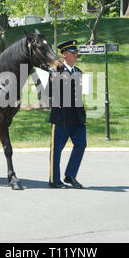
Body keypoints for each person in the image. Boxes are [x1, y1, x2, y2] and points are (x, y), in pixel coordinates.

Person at [48, 40, 87, 189]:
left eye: (76, 52)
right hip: (61, 117)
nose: (76, 55)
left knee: (81, 144)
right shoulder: (55, 71)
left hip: (77, 117)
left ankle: (70, 175)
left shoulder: (78, 71)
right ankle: (54, 180)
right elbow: (49, 93)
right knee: (56, 149)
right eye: (73, 52)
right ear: (64, 54)